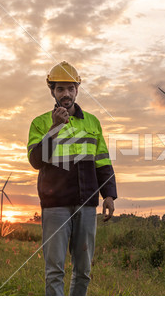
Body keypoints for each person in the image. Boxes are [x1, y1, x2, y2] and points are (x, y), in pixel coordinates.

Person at [27, 61, 117, 296]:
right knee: (54, 270)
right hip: (55, 205)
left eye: (70, 88)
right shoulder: (40, 123)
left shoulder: (93, 122)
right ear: (52, 92)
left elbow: (102, 161)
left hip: (86, 203)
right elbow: (36, 160)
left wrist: (108, 194)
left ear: (77, 89)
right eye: (60, 89)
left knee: (84, 270)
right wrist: (54, 128)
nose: (65, 94)